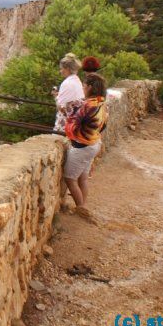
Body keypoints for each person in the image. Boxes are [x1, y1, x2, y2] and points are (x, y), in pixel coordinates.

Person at [63, 73, 109, 218]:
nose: (82, 88)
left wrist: (67, 114)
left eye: (83, 85)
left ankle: (81, 209)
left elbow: (72, 127)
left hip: (82, 147)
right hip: (94, 143)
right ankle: (83, 207)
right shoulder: (101, 103)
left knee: (70, 179)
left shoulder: (87, 105)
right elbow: (103, 125)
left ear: (89, 87)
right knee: (82, 178)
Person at [52, 53, 84, 132]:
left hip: (65, 126)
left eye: (61, 68)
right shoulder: (77, 80)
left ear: (68, 69)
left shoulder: (67, 83)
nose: (60, 71)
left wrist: (55, 96)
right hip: (75, 123)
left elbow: (61, 107)